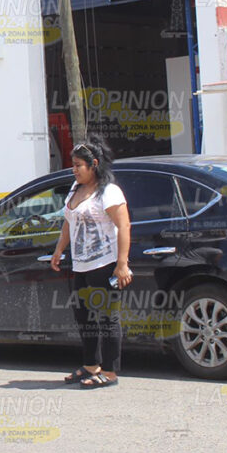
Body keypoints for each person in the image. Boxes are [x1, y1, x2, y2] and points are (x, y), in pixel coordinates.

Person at [50, 136, 132, 389]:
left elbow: (123, 225)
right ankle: (90, 365)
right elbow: (68, 224)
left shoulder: (108, 192)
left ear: (93, 164)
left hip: (105, 264)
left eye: (78, 165)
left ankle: (109, 372)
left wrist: (122, 263)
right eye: (72, 165)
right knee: (84, 317)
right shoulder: (75, 191)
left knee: (107, 319)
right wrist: (58, 250)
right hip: (81, 265)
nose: (74, 170)